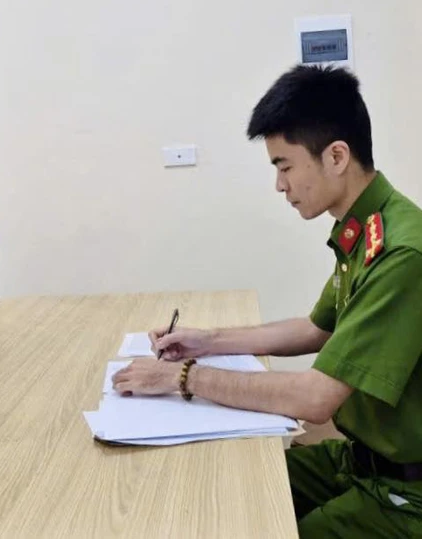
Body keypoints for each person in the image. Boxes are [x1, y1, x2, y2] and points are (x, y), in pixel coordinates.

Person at [112, 65, 422, 537]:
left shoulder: (401, 254)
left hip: (406, 495)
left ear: (337, 156)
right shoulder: (368, 228)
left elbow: (315, 399)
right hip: (360, 460)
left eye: (285, 166)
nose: (280, 185)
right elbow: (316, 328)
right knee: (227, 492)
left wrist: (182, 377)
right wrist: (208, 341)